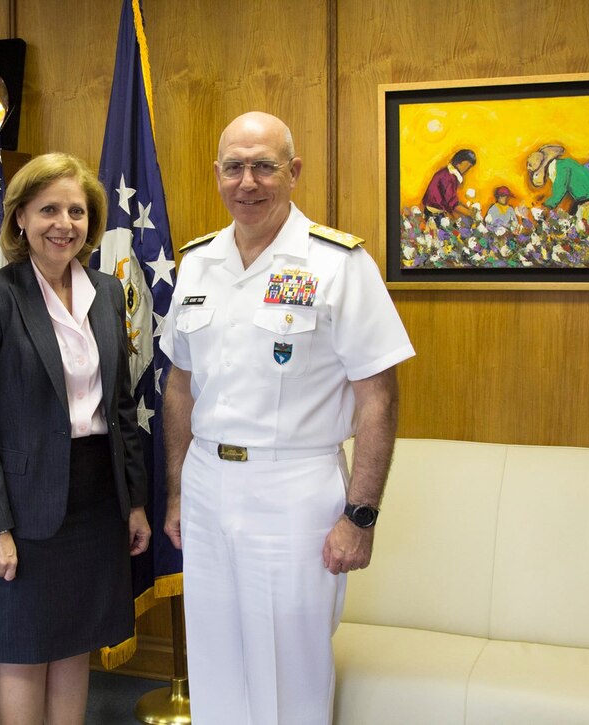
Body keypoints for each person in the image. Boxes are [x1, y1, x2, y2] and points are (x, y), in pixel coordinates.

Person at [160, 112, 415, 724]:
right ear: (217, 174)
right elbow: (179, 386)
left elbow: (379, 398)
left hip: (294, 490)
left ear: (293, 172)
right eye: (234, 167)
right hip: (205, 486)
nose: (248, 182)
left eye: (264, 166)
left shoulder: (339, 264)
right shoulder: (196, 263)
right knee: (215, 665)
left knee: (290, 676)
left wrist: (360, 516)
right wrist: (176, 494)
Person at [0, 152, 151, 725]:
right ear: (19, 218)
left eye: (76, 211)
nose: (64, 223)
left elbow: (120, 405)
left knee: (74, 643)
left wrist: (133, 502)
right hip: (21, 504)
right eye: (48, 210)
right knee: (24, 649)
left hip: (95, 497)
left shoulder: (108, 294)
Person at [421, 148, 477, 225]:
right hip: (434, 214)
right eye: (467, 166)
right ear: (459, 163)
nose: (467, 169)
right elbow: (452, 203)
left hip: (438, 212)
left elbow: (450, 200)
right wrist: (470, 213)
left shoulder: (448, 173)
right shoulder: (448, 177)